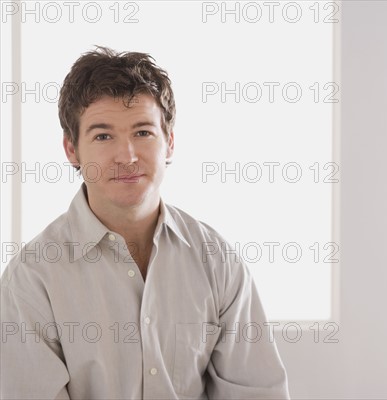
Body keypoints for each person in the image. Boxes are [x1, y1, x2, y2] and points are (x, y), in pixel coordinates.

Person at [0, 46, 290, 399]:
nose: (127, 156)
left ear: (169, 143)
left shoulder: (217, 260)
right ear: (72, 150)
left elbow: (257, 393)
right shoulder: (31, 279)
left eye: (143, 132)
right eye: (103, 136)